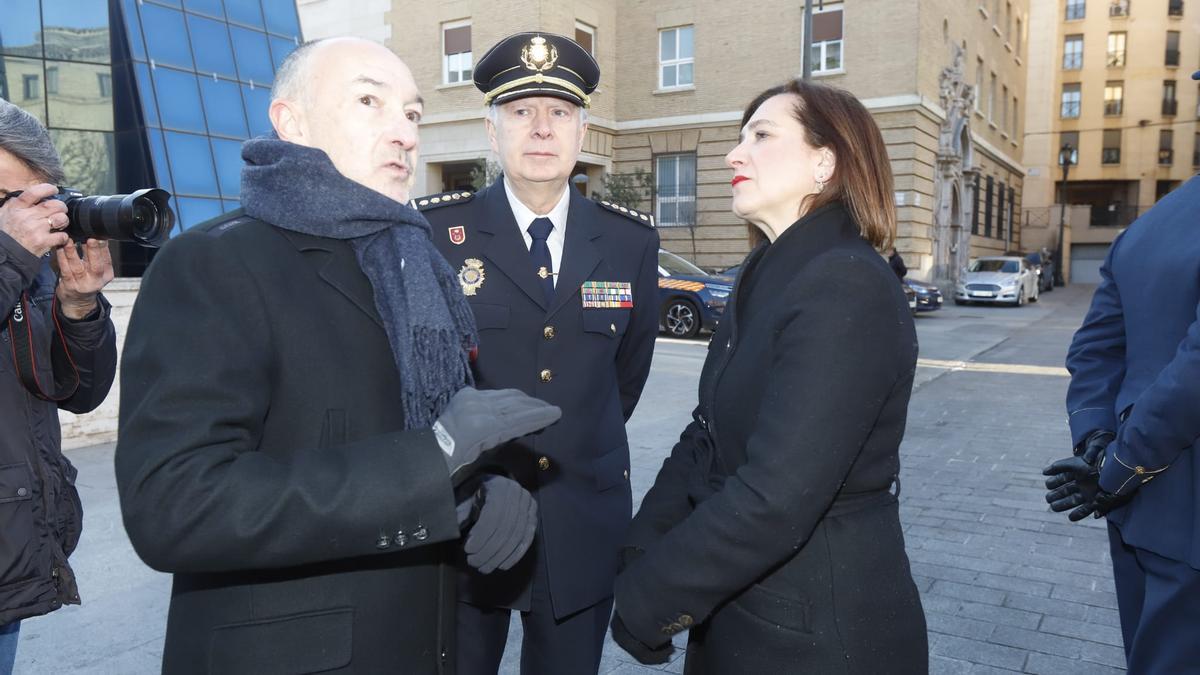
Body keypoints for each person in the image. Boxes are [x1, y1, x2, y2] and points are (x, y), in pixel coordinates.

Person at [115, 38, 562, 674]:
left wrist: (479, 489)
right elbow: (175, 505)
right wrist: (435, 460)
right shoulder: (214, 263)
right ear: (290, 122)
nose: (403, 133)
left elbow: (397, 433)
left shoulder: (414, 266)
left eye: (412, 113)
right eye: (368, 101)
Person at [609, 79, 928, 673]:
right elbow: (705, 434)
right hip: (747, 614)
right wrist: (640, 549)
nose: (735, 154)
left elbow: (778, 493)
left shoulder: (845, 284)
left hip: (817, 634)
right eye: (738, 137)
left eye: (761, 135)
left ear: (824, 162)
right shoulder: (769, 272)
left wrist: (653, 596)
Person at [417, 32, 660, 675]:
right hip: (470, 518)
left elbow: (625, 377)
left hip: (584, 514)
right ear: (492, 132)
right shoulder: (439, 234)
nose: (542, 129)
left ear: (583, 133)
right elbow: (424, 381)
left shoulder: (629, 242)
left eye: (560, 113)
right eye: (522, 112)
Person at [1044, 172, 1200, 671]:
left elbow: (1095, 348)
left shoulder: (1147, 227)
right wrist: (1120, 462)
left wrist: (1098, 442)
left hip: (1142, 515)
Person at [0, 100, 117, 673]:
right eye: (9, 200)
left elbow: (80, 394)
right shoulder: (11, 262)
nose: (30, 216)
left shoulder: (23, 270)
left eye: (40, 198)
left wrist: (78, 306)